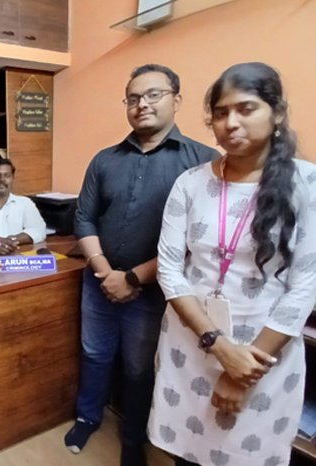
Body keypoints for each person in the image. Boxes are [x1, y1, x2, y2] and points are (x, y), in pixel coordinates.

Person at [149, 62, 316, 466]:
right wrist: (217, 345)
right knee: (184, 455)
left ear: (277, 113)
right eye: (221, 113)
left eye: (246, 109)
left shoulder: (306, 184)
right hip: (191, 344)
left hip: (263, 357)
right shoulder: (191, 182)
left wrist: (242, 368)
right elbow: (169, 269)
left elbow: (306, 284)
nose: (231, 123)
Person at [67, 64, 218, 466]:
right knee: (94, 354)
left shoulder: (203, 163)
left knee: (139, 368)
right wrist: (105, 272)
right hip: (99, 282)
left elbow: (197, 241)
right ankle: (87, 417)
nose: (142, 104)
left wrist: (133, 278)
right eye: (133, 98)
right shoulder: (105, 160)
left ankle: (133, 438)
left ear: (177, 99)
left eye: (153, 95)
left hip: (155, 292)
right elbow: (84, 217)